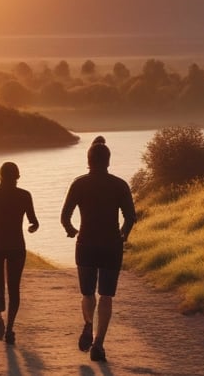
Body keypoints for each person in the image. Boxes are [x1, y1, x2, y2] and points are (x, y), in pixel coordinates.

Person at [61, 136, 136, 362]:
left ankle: (88, 324)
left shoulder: (79, 183)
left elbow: (65, 215)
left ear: (89, 160)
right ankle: (99, 344)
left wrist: (71, 230)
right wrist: (123, 234)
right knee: (106, 295)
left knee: (87, 293)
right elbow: (130, 216)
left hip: (85, 244)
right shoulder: (119, 184)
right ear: (108, 161)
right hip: (112, 245)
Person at [0, 161, 39, 345]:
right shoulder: (24, 195)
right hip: (16, 245)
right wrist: (30, 227)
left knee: (0, 288)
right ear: (18, 177)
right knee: (14, 289)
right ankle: (9, 329)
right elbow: (33, 222)